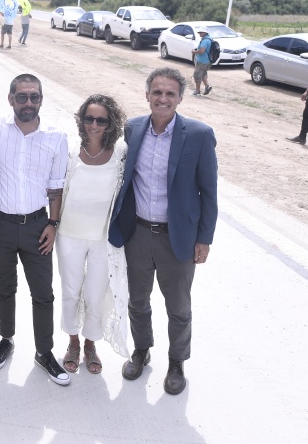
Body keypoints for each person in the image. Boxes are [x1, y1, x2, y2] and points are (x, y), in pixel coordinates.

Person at [108, 67, 218, 395]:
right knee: (137, 301)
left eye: (170, 93)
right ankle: (142, 350)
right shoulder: (134, 128)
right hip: (138, 234)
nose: (163, 98)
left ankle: (176, 362)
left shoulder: (198, 135)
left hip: (177, 238)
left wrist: (204, 238)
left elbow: (209, 193)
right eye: (157, 92)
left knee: (179, 307)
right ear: (147, 95)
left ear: (180, 98)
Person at [0, 74, 70, 386]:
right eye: (22, 97)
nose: (28, 103)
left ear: (41, 100)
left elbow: (56, 187)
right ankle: (6, 340)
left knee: (43, 294)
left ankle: (44, 352)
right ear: (11, 99)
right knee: (5, 288)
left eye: (34, 97)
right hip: (0, 227)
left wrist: (53, 224)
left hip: (37, 227)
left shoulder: (55, 137)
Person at [56, 95, 129, 376]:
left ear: (111, 123)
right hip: (69, 234)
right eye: (89, 118)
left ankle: (90, 345)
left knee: (96, 294)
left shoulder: (122, 153)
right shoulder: (71, 150)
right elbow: (55, 189)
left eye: (101, 120)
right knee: (71, 292)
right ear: (81, 120)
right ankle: (73, 342)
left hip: (102, 237)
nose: (94, 125)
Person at [191, 28, 212, 96]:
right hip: (208, 61)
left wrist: (194, 52)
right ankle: (207, 86)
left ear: (205, 33)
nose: (200, 33)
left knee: (197, 75)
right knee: (203, 74)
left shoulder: (205, 41)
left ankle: (197, 90)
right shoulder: (210, 39)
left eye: (201, 32)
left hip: (202, 61)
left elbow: (202, 51)